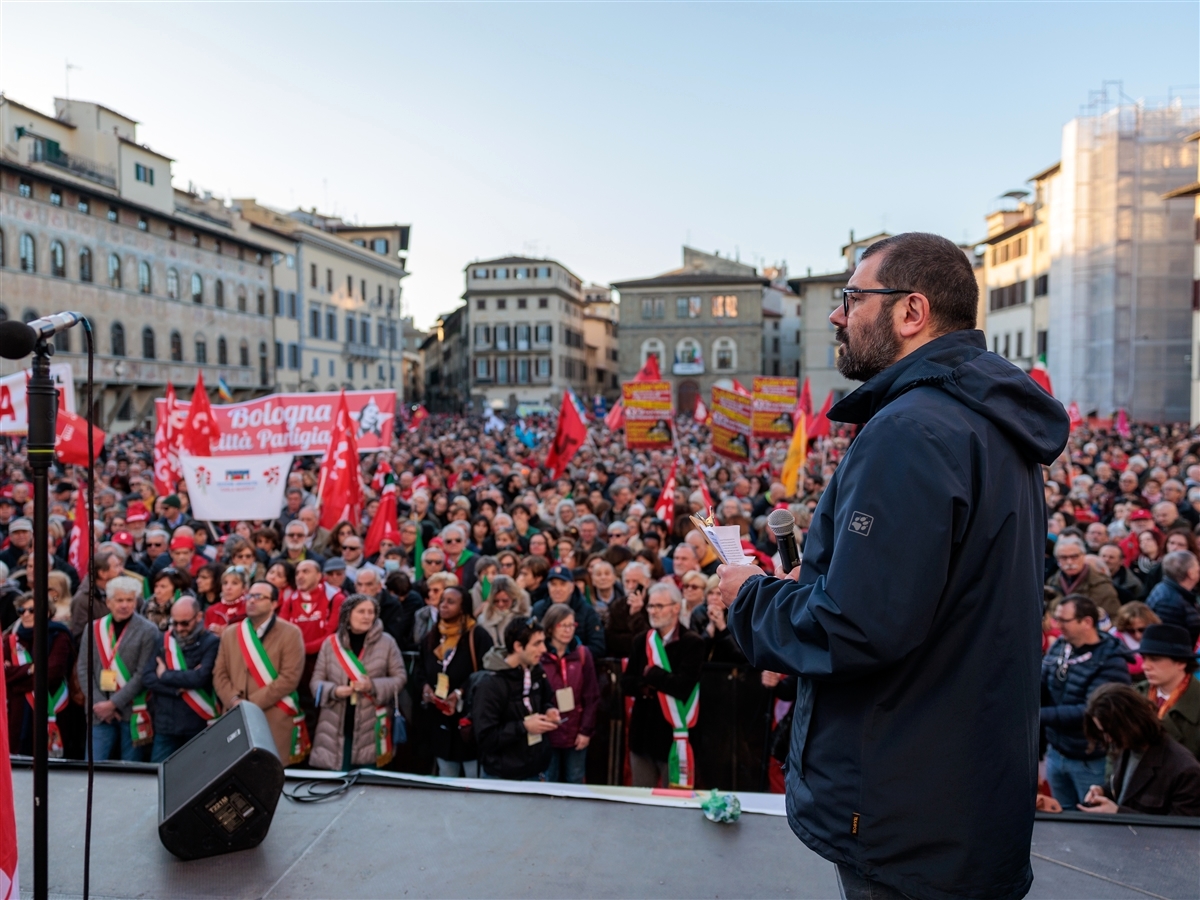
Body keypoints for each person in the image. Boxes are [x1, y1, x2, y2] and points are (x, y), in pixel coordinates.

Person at [720, 233, 1070, 900]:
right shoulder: (985, 422)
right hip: (958, 798)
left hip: (905, 806)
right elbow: (927, 596)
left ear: (912, 312)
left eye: (851, 298)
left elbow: (856, 627)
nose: (835, 314)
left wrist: (749, 598)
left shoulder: (911, 430)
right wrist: (823, 582)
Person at [1040, 595, 1134, 807]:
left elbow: (1090, 711)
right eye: (1056, 619)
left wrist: (1037, 716)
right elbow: (1042, 681)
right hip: (1057, 751)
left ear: (1087, 622)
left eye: (1064, 620)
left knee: (1091, 823)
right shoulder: (1060, 647)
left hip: (1089, 759)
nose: (1057, 625)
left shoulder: (1111, 662)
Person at [212, 582, 309, 764]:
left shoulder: (290, 633)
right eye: (250, 596)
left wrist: (249, 706)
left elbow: (289, 678)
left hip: (273, 716)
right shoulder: (231, 632)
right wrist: (233, 700)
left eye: (259, 597)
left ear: (273, 604)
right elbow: (219, 673)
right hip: (235, 716)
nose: (252, 601)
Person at [309, 593, 406, 771]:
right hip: (336, 725)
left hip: (371, 726)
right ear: (348, 614)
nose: (367, 616)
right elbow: (316, 681)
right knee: (338, 786)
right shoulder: (330, 644)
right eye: (361, 611)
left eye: (371, 612)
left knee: (369, 788)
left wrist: (373, 686)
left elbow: (400, 678)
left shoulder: (387, 642)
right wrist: (334, 691)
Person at [621, 581, 704, 788]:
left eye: (659, 606)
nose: (653, 611)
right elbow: (626, 683)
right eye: (650, 606)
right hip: (642, 736)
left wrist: (653, 674)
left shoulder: (692, 642)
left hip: (672, 737)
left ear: (676, 607)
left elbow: (682, 687)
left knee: (674, 802)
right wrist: (651, 684)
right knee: (639, 801)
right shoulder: (642, 640)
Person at [1078, 683, 1200, 817]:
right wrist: (1103, 792)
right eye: (1103, 733)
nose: (1109, 739)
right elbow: (1126, 789)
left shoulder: (1185, 770)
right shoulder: (1126, 747)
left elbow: (1180, 831)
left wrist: (1118, 813)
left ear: (1132, 722)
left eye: (1111, 732)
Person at [77, 576, 160, 761]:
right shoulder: (94, 628)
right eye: (119, 600)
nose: (124, 605)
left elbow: (142, 674)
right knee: (93, 766)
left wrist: (113, 704)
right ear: (108, 602)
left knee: (129, 773)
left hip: (132, 711)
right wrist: (101, 705)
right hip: (98, 710)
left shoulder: (148, 630)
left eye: (129, 600)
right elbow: (83, 668)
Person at [415, 585, 491, 777]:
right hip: (440, 720)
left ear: (463, 606)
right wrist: (425, 687)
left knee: (474, 781)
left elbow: (487, 673)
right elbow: (420, 668)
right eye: (442, 601)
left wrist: (460, 692)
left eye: (451, 602)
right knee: (446, 779)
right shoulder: (432, 635)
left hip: (467, 720)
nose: (444, 605)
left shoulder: (477, 635)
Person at [472, 616, 559, 781]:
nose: (544, 649)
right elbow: (486, 737)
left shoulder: (537, 671)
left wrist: (549, 711)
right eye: (537, 644)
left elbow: (547, 699)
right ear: (518, 646)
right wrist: (524, 726)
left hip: (537, 770)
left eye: (543, 642)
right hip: (503, 778)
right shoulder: (490, 684)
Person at [141, 595, 221, 763]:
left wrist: (164, 675)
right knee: (158, 774)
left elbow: (201, 678)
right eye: (174, 623)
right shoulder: (163, 640)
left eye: (185, 623)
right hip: (166, 723)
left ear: (199, 617)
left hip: (196, 724)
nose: (179, 628)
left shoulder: (211, 642)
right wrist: (177, 689)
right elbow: (148, 677)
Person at [3, 594, 72, 756]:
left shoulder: (59, 636)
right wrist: (29, 669)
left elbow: (52, 672)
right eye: (22, 611)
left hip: (50, 705)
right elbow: (3, 674)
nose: (26, 614)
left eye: (32, 610)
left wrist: (16, 681)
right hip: (18, 713)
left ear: (47, 613)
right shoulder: (11, 640)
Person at [539, 603, 600, 784]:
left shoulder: (582, 654)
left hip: (575, 729)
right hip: (548, 731)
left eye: (571, 625)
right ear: (550, 627)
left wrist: (586, 731)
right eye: (562, 625)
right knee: (549, 780)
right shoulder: (540, 656)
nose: (568, 630)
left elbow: (591, 695)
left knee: (574, 779)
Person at [1135, 624, 1200, 760]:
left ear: (1181, 662)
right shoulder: (1134, 695)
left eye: (1154, 659)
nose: (1145, 666)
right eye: (1144, 658)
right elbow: (1117, 751)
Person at [530, 565, 605, 658]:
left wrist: (571, 657)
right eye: (553, 584)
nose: (557, 589)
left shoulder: (587, 611)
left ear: (572, 587)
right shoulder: (538, 609)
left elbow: (598, 646)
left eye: (562, 584)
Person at [1047, 535, 1120, 620]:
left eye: (1074, 557)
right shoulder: (1051, 583)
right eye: (1064, 557)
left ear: (1083, 556)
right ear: (1057, 559)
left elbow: (1114, 619)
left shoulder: (1101, 585)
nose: (1069, 562)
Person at [1145, 550, 1200, 646]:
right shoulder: (1169, 602)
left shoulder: (1166, 588)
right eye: (1197, 567)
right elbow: (1168, 642)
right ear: (1190, 573)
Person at [1111, 601, 1161, 681]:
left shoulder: (1157, 633)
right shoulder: (1115, 639)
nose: (1138, 635)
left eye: (1142, 630)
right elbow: (1122, 666)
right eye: (1131, 631)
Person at [476, 574, 530, 647]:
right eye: (496, 601)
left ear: (513, 598)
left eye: (505, 601)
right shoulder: (484, 619)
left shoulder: (524, 613)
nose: (500, 604)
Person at [204, 567, 249, 635]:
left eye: (234, 583)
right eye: (225, 583)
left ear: (244, 588)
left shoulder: (249, 609)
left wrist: (226, 634)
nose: (228, 587)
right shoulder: (211, 610)